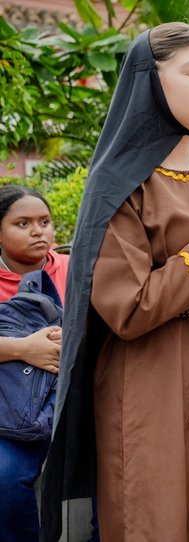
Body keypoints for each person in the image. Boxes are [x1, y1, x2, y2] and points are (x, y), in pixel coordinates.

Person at [40, 23, 189, 541]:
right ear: (151, 83)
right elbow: (130, 310)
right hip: (148, 380)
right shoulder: (120, 186)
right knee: (153, 513)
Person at [0, 186, 68, 542]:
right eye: (22, 223)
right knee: (6, 477)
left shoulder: (76, 267)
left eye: (44, 222)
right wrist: (22, 348)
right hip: (13, 411)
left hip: (78, 400)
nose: (38, 230)